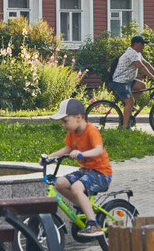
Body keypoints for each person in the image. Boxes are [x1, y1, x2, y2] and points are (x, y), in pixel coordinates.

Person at [46, 97, 112, 238]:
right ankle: (82, 205)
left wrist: (82, 154)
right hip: (86, 171)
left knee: (76, 187)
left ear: (79, 117)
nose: (63, 125)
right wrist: (49, 158)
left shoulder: (91, 131)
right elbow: (67, 149)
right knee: (60, 183)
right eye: (62, 122)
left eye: (65, 121)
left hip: (101, 173)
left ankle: (93, 224)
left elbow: (98, 150)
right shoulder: (72, 133)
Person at [110, 35, 154, 130]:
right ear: (136, 44)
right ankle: (125, 128)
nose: (144, 46)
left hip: (128, 80)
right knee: (130, 102)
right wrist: (153, 77)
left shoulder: (137, 53)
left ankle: (128, 107)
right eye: (142, 44)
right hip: (120, 82)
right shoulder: (131, 53)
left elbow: (146, 64)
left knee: (142, 85)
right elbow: (140, 67)